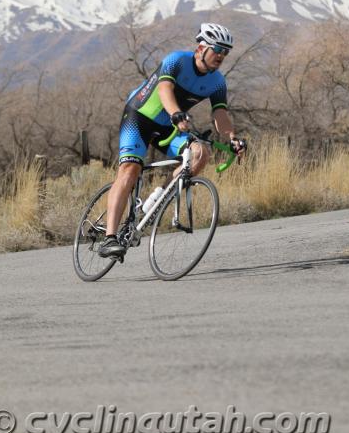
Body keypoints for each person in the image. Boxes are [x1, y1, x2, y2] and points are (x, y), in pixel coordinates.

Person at [99, 22, 247, 258]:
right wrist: (176, 114)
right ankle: (109, 238)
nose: (221, 55)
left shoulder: (217, 81)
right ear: (201, 48)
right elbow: (164, 89)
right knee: (130, 169)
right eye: (217, 49)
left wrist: (232, 138)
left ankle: (155, 203)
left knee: (200, 154)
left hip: (170, 126)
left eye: (225, 51)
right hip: (139, 117)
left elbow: (220, 113)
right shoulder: (176, 60)